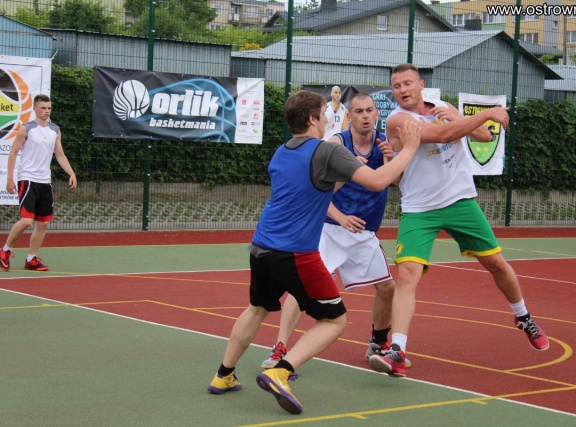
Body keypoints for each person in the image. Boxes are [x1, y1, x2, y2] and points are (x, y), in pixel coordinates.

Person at [207, 90, 420, 415]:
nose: (328, 119)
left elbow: (312, 189)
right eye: (324, 114)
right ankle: (281, 371)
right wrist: (411, 149)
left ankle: (223, 375)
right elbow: (379, 182)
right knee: (334, 321)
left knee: (256, 309)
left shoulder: (282, 152)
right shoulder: (326, 150)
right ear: (312, 119)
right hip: (295, 253)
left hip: (261, 247)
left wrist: (342, 174)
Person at [368, 63, 549, 378]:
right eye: (396, 86)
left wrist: (458, 116)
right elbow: (443, 134)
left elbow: (481, 136)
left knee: (497, 263)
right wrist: (487, 113)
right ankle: (397, 350)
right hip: (420, 208)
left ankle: (523, 316)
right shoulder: (398, 120)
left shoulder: (443, 107)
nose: (402, 90)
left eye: (407, 83)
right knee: (407, 275)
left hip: (460, 201)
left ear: (421, 85)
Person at [260, 93, 411, 370]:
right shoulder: (335, 145)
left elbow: (394, 181)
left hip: (364, 232)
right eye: (359, 111)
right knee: (300, 288)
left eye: (369, 110)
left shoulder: (384, 144)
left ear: (377, 114)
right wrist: (340, 217)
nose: (365, 115)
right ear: (349, 117)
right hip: (329, 230)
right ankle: (280, 346)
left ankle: (378, 342)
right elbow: (315, 191)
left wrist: (391, 159)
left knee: (387, 288)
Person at [0, 94, 77, 272]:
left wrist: (71, 173)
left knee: (43, 223)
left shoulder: (55, 130)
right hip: (27, 179)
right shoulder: (27, 129)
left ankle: (31, 259)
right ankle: (5, 250)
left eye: (49, 108)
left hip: (45, 181)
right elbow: (13, 153)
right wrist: (10, 178)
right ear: (35, 109)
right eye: (43, 108)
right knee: (27, 221)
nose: (46, 111)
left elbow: (60, 155)